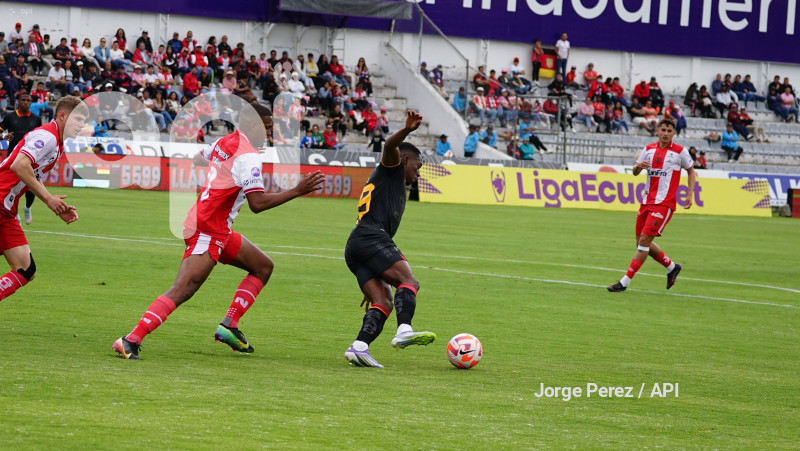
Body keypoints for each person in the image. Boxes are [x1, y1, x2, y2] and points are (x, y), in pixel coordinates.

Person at [113, 104, 325, 360]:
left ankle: (229, 326)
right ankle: (130, 339)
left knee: (263, 267)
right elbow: (257, 204)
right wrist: (297, 190)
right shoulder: (248, 156)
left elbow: (198, 158)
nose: (268, 135)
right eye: (266, 129)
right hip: (208, 229)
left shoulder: (227, 141)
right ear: (252, 125)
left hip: (217, 227)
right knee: (183, 288)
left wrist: (216, 185)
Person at [343, 110, 436, 368]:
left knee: (382, 300)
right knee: (408, 281)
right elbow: (389, 145)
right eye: (417, 166)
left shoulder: (391, 181)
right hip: (371, 237)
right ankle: (404, 330)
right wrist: (407, 129)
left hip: (357, 245)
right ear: (405, 160)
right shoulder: (392, 167)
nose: (419, 173)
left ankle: (359, 347)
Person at [0, 96, 85, 303]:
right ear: (62, 115)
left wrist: (55, 204)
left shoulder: (58, 143)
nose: (82, 125)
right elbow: (19, 166)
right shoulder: (47, 136)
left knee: (26, 269)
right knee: (24, 268)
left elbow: (30, 176)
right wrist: (48, 200)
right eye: (79, 119)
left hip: (6, 209)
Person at [608, 119, 695, 293]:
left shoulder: (680, 151)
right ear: (657, 131)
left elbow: (691, 171)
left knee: (644, 243)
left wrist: (689, 194)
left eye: (669, 130)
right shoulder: (648, 149)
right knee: (641, 243)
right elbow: (634, 172)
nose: (665, 133)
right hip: (647, 201)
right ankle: (671, 267)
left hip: (664, 204)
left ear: (674, 133)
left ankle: (624, 283)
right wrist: (638, 166)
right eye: (662, 129)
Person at [0, 93, 43, 223]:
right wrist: (4, 137)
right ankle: (15, 213)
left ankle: (27, 208)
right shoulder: (10, 117)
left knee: (31, 186)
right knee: (13, 188)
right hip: (13, 158)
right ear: (18, 102)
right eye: (23, 100)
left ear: (31, 103)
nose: (25, 102)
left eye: (28, 100)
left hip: (31, 159)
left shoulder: (36, 119)